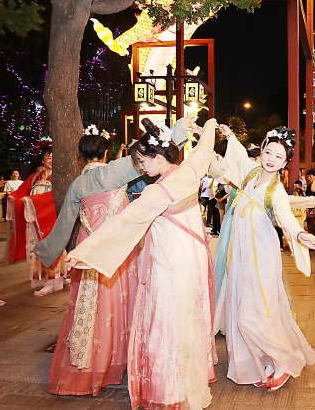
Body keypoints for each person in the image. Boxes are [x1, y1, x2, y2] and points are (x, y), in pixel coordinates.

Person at [66, 118, 218, 409]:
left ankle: (169, 388)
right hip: (194, 259)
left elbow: (124, 222)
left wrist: (85, 250)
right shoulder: (189, 170)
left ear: (158, 158)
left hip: (168, 262)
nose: (140, 167)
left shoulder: (157, 192)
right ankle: (190, 375)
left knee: (165, 319)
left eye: (142, 161)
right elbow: (204, 149)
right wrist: (209, 124)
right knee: (188, 315)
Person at [213, 123, 315, 391]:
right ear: (262, 150)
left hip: (261, 255)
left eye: (279, 156)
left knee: (254, 312)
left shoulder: (275, 191)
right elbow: (240, 156)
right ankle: (256, 363)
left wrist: (300, 235)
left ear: (285, 163)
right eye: (269, 152)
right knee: (240, 309)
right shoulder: (251, 173)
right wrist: (230, 136)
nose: (272, 159)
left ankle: (285, 361)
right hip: (240, 255)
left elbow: (285, 216)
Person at [35, 125, 141, 396]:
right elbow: (148, 157)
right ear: (105, 153)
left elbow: (64, 225)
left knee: (90, 307)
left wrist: (45, 251)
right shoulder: (116, 171)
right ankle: (117, 362)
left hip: (88, 247)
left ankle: (89, 364)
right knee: (118, 302)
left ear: (81, 156)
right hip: (116, 249)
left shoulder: (77, 185)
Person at [8, 145, 68, 296]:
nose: (52, 160)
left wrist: (30, 200)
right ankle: (46, 279)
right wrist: (14, 198)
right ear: (42, 159)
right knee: (34, 249)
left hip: (51, 218)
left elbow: (53, 198)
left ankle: (53, 280)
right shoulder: (34, 178)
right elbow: (21, 191)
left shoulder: (58, 178)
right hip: (34, 221)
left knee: (52, 247)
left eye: (54, 157)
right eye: (49, 157)